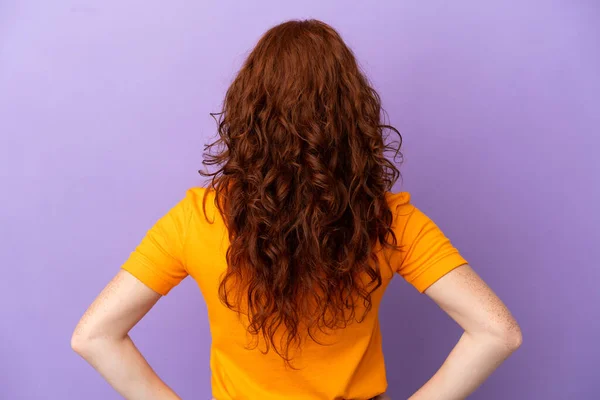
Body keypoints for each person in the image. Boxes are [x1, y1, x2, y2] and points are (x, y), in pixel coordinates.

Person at [71, 19, 522, 400]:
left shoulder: (197, 218)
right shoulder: (392, 222)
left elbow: (93, 336)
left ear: (249, 111)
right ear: (352, 113)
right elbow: (498, 332)